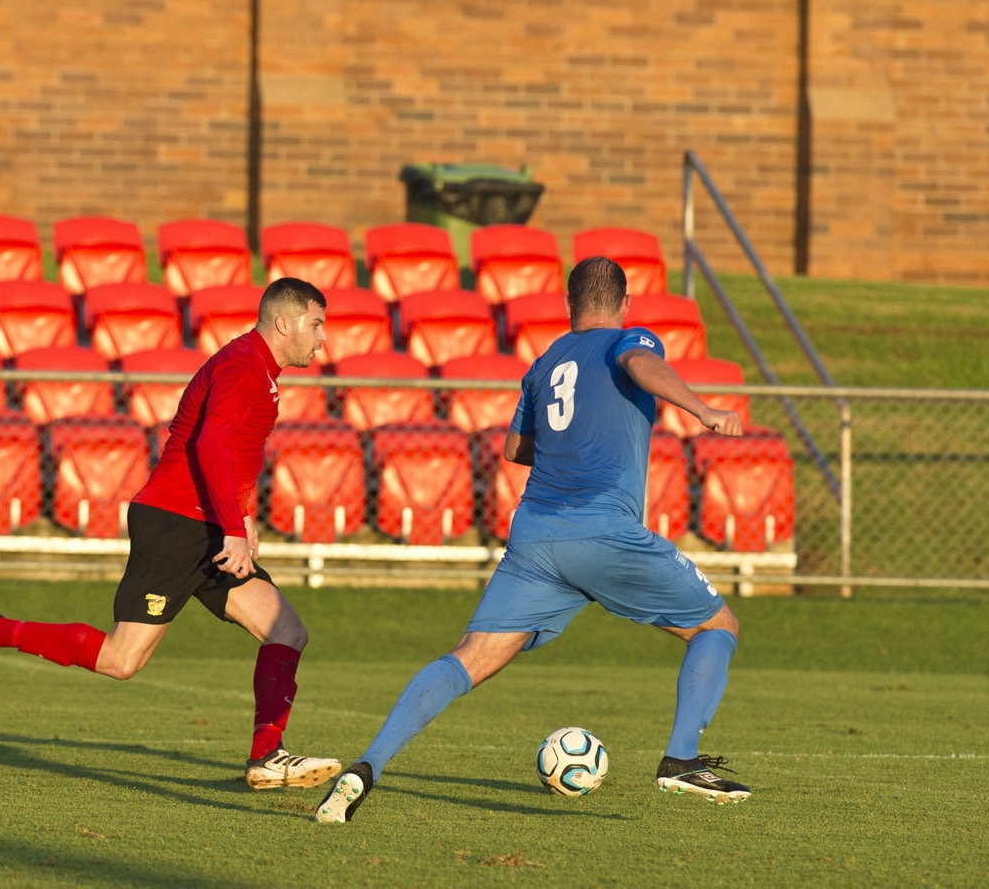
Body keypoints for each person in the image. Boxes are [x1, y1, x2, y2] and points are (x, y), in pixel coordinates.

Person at [315, 256, 751, 823]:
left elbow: (514, 449)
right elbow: (641, 362)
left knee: (466, 659)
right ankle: (682, 761)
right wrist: (702, 409)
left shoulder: (544, 364)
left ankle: (366, 767)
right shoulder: (631, 338)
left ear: (570, 307)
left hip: (536, 538)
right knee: (717, 627)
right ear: (623, 306)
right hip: (603, 531)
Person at [0, 276, 342, 791]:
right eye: (317, 324)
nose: (323, 337)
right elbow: (210, 448)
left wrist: (241, 515)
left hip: (209, 524)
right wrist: (234, 528)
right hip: (177, 522)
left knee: (287, 630)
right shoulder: (243, 365)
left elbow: (230, 452)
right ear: (284, 323)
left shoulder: (259, 370)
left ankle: (267, 756)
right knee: (121, 659)